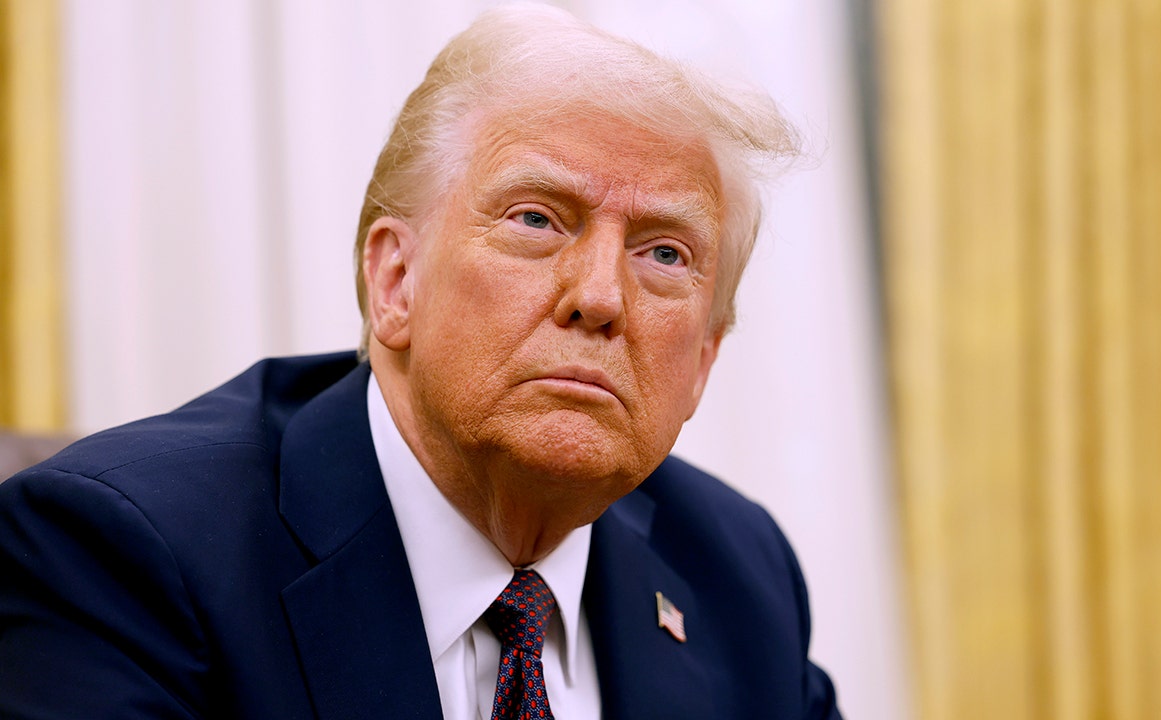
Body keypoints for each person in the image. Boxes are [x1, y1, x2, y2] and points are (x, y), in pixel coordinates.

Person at [0, 4, 841, 719]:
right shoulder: (123, 557)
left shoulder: (739, 576)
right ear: (394, 281)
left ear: (703, 357)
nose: (602, 297)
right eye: (537, 219)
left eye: (664, 254)